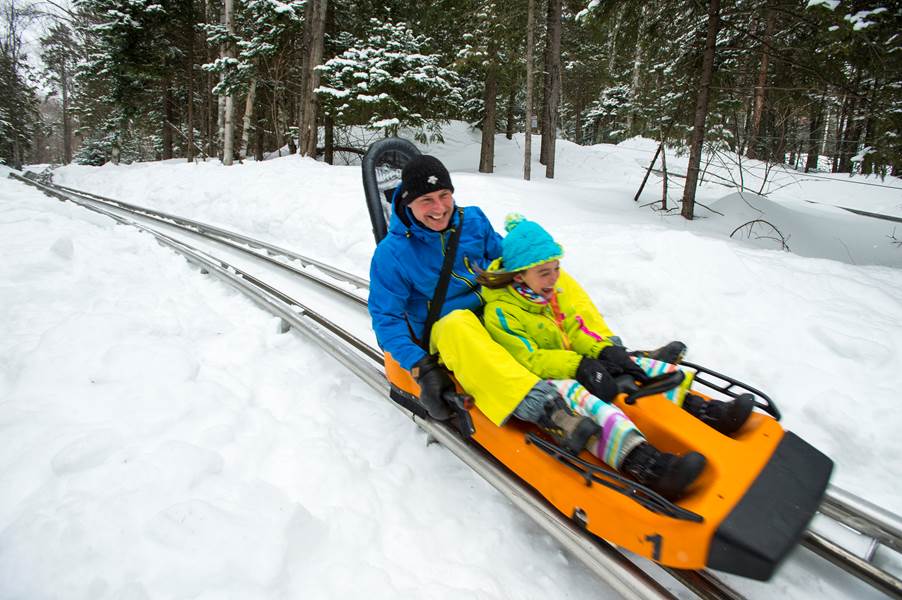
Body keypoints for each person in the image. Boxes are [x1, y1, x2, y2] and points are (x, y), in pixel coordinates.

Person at [368, 156, 702, 500]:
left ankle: (608, 352)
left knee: (551, 274)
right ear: (408, 202)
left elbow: (512, 265)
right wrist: (421, 366)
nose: (439, 208)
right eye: (427, 200)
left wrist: (538, 268)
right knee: (458, 322)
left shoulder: (473, 222)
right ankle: (548, 410)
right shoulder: (391, 255)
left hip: (501, 314)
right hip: (453, 335)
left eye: (444, 196)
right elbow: (386, 320)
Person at [477, 213, 754, 437]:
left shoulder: (551, 295)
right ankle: (642, 459)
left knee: (635, 369)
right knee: (593, 404)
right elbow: (530, 358)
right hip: (551, 376)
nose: (554, 278)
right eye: (544, 272)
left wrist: (603, 351)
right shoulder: (501, 312)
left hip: (578, 361)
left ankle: (702, 409)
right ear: (519, 277)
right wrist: (579, 366)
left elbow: (576, 328)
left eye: (556, 269)